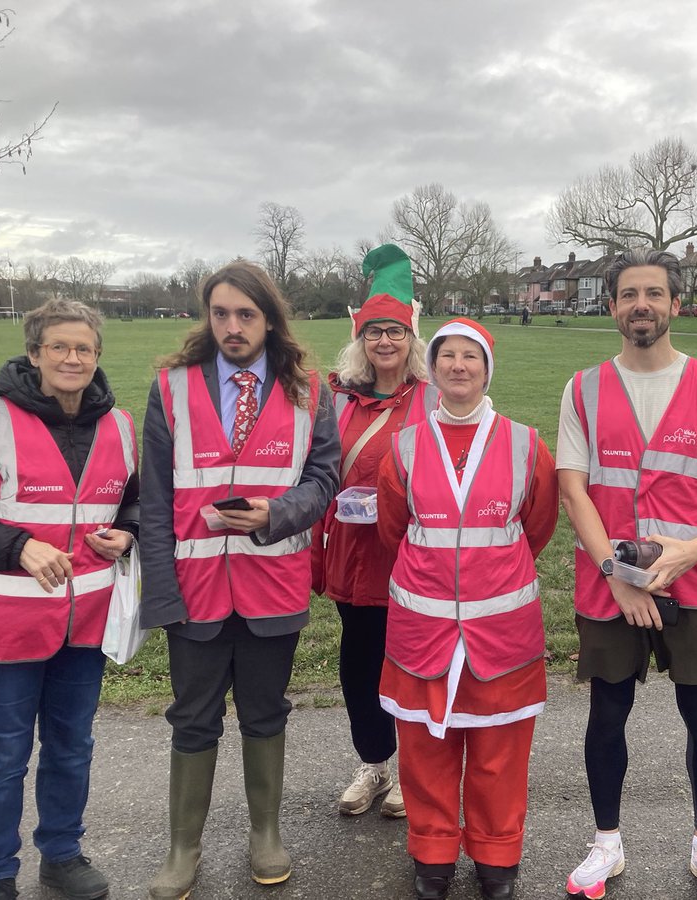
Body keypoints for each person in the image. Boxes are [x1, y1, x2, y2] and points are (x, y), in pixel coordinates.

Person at [0, 299, 139, 900]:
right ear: (34, 352)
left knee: (71, 746)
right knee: (2, 756)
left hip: (85, 626)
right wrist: (17, 547)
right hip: (3, 627)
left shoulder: (120, 425)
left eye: (84, 348)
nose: (73, 358)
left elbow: (133, 502)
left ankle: (61, 854)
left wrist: (130, 531)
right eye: (60, 347)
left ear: (97, 356)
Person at [139, 261, 339, 899]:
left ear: (269, 319)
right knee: (193, 719)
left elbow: (324, 479)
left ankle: (266, 835)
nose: (232, 326)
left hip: (272, 585)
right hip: (194, 591)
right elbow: (155, 497)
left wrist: (276, 514)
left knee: (264, 713)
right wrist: (162, 592)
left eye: (245, 314)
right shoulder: (171, 389)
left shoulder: (310, 390)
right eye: (220, 313)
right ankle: (182, 849)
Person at [557, 248, 697, 900]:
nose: (642, 304)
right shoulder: (582, 389)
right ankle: (605, 844)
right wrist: (615, 573)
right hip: (606, 584)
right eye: (629, 294)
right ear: (612, 305)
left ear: (674, 301)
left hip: (693, 580)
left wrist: (693, 549)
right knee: (607, 712)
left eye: (654, 293)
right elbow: (575, 491)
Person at [374, 318, 558, 900]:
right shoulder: (403, 445)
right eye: (447, 355)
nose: (458, 366)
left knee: (499, 750)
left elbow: (538, 524)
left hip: (499, 628)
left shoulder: (527, 443)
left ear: (486, 368)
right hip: (422, 626)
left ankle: (497, 854)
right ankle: (432, 853)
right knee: (426, 747)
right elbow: (393, 530)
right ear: (432, 367)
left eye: (470, 357)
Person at [317, 244, 437, 819]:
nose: (384, 342)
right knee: (360, 661)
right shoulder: (336, 397)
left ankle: (414, 772)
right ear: (360, 340)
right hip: (353, 549)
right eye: (374, 333)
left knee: (412, 662)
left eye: (394, 332)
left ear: (411, 338)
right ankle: (373, 763)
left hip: (414, 556)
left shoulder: (435, 398)